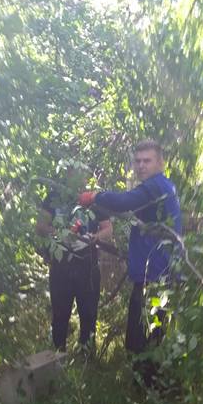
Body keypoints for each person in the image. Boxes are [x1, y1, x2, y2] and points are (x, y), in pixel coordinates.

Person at [78, 140, 182, 362]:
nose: (141, 165)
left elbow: (125, 202)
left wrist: (95, 196)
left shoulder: (155, 186)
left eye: (147, 160)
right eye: (138, 161)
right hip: (159, 275)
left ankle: (147, 390)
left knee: (142, 342)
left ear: (160, 163)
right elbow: (132, 211)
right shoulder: (162, 187)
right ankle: (151, 387)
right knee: (150, 338)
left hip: (154, 279)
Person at [36, 163, 113, 352]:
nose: (77, 177)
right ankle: (57, 356)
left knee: (88, 314)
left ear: (86, 177)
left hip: (87, 265)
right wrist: (59, 233)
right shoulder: (54, 197)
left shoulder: (93, 199)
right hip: (61, 264)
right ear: (66, 174)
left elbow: (108, 229)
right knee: (60, 313)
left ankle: (86, 356)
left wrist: (94, 238)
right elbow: (40, 226)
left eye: (81, 174)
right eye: (72, 173)